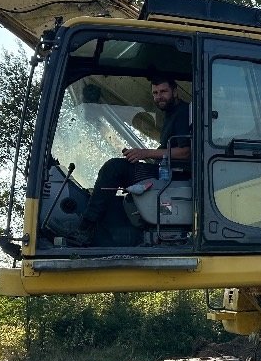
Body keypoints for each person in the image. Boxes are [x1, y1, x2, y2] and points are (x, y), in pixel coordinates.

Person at [55, 75, 191, 246]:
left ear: (176, 91)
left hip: (176, 176)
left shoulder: (184, 113)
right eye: (155, 93)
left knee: (114, 168)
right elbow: (167, 149)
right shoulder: (171, 115)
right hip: (166, 171)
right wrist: (140, 155)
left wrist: (144, 152)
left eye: (163, 91)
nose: (159, 96)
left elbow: (186, 152)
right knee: (115, 180)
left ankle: (84, 229)